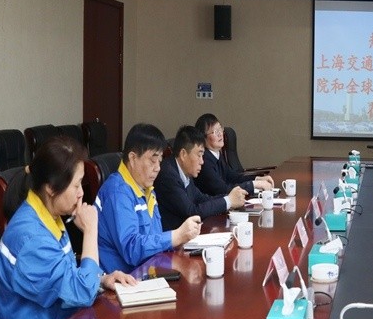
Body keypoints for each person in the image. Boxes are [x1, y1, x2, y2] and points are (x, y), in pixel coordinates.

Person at [0, 136, 135, 319]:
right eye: (76, 185)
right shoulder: (31, 239)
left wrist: (101, 279)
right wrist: (91, 230)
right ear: (51, 188)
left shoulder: (49, 215)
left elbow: (64, 277)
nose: (81, 193)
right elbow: (81, 293)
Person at [96, 123, 201, 273]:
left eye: (160, 161)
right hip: (123, 280)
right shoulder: (117, 193)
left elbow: (154, 239)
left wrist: (181, 240)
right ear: (133, 158)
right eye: (152, 160)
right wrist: (175, 236)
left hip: (148, 271)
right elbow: (131, 249)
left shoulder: (146, 189)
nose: (158, 168)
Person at [155, 125, 248, 231]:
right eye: (199, 155)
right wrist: (228, 201)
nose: (202, 162)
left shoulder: (184, 170)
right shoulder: (168, 175)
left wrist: (231, 198)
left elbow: (201, 199)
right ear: (183, 154)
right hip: (174, 238)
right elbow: (191, 212)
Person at [193, 113, 274, 197]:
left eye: (220, 129)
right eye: (215, 131)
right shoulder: (204, 161)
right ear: (203, 138)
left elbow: (233, 177)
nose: (220, 134)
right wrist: (253, 185)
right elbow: (223, 190)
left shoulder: (216, 154)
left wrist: (257, 179)